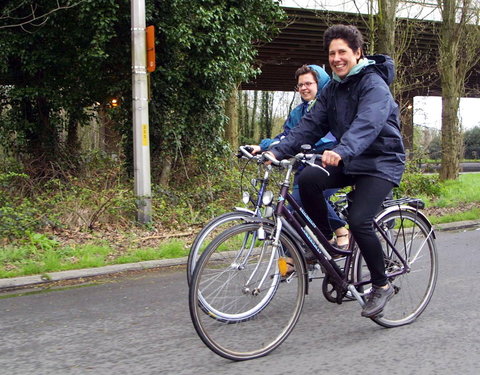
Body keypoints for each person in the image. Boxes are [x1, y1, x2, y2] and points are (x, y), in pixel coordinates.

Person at [266, 25, 406, 318]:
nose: (337, 58)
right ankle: (327, 242)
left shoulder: (373, 85)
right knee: (308, 179)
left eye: (343, 51)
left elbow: (368, 123)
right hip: (352, 160)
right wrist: (276, 151)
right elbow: (311, 125)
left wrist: (342, 150)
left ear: (357, 53)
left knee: (359, 220)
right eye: (332, 53)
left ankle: (381, 285)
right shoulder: (332, 88)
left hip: (381, 162)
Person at [250, 64, 349, 249]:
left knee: (300, 201)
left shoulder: (329, 109)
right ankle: (296, 257)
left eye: (308, 83)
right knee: (292, 211)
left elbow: (326, 137)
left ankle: (339, 230)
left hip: (328, 163)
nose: (303, 88)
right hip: (304, 165)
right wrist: (263, 147)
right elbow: (287, 136)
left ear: (321, 84)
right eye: (300, 85)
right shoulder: (298, 112)